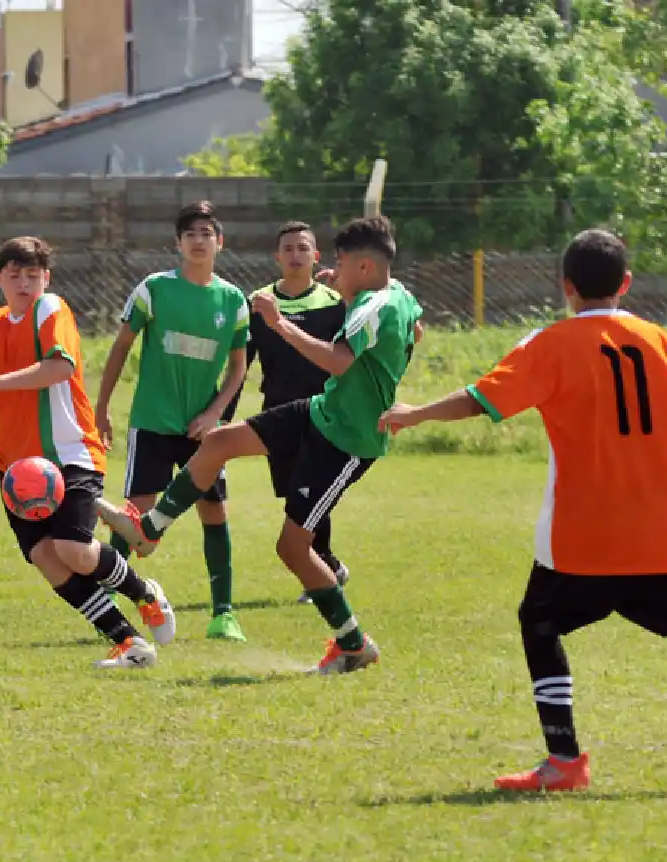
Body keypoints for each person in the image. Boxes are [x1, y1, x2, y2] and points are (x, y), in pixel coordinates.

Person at [379, 228, 667, 791]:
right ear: (626, 283)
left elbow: (481, 400)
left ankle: (565, 761)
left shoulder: (551, 344)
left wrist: (415, 413)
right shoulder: (662, 342)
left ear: (566, 286)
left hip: (588, 536)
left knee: (540, 620)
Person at [98, 215, 423, 674]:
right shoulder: (398, 294)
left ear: (365, 266)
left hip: (346, 440)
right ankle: (150, 529)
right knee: (219, 442)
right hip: (320, 411)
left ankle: (353, 643)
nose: (332, 271)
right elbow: (415, 331)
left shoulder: (375, 306)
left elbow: (338, 362)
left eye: (341, 262)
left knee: (293, 549)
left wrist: (279, 324)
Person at [0, 236, 174, 670]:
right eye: (15, 275)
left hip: (69, 454)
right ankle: (129, 642)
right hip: (18, 468)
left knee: (73, 549)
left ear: (47, 277)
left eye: (33, 275)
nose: (24, 283)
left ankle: (144, 593)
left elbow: (59, 367)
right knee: (46, 557)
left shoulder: (51, 308)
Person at [95, 201, 250, 642]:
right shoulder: (153, 289)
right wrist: (101, 407)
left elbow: (238, 367)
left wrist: (215, 412)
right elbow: (121, 347)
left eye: (207, 233)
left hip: (203, 429)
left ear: (220, 242)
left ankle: (224, 615)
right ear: (178, 243)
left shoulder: (233, 301)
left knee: (213, 510)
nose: (199, 241)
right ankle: (111, 605)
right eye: (190, 234)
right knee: (134, 515)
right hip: (153, 420)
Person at [222, 220, 350, 604]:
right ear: (277, 257)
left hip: (323, 414)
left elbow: (347, 359)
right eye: (288, 249)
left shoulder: (334, 303)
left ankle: (322, 571)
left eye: (303, 248)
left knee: (311, 493)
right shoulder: (260, 303)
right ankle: (330, 565)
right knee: (293, 495)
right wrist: (223, 415)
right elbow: (241, 365)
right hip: (277, 413)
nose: (296, 255)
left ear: (316, 256)